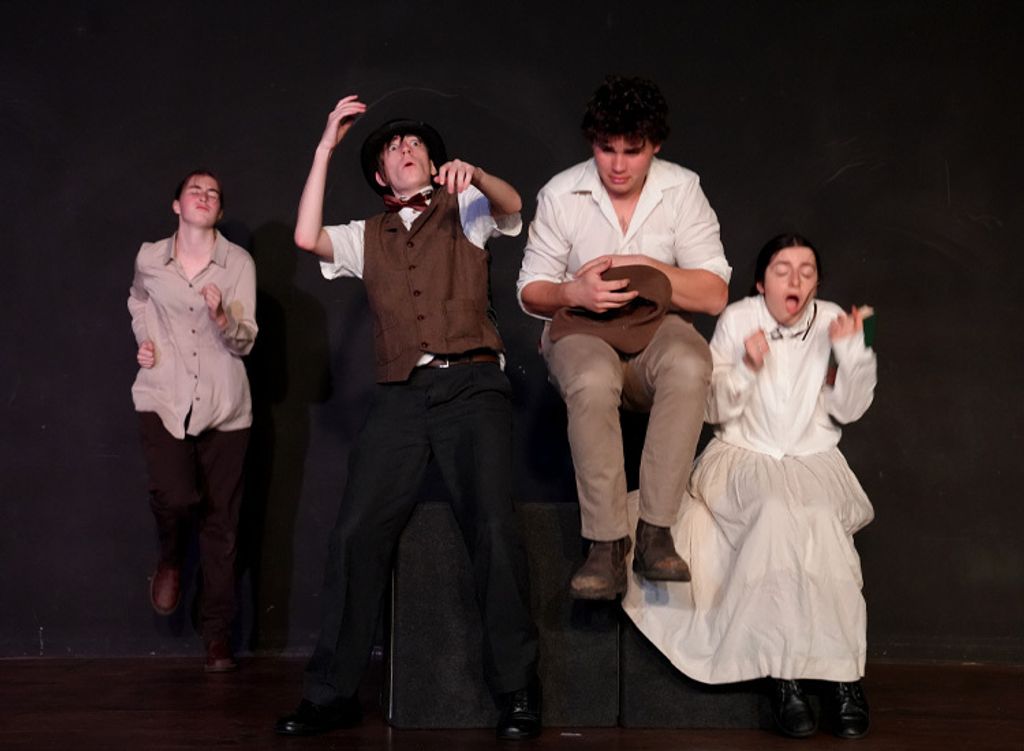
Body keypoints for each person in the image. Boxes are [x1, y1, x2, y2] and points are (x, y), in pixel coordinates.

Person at [274, 96, 541, 740]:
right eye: (394, 148)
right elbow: (306, 237)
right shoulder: (366, 235)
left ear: (433, 160)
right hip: (401, 394)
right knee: (354, 534)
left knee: (493, 528)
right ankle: (331, 694)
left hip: (473, 384)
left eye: (416, 143)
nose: (406, 149)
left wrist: (478, 176)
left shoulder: (465, 207)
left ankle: (516, 689)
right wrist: (324, 148)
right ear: (380, 175)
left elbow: (513, 206)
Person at [621, 233, 877, 739]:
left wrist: (854, 353)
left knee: (821, 523)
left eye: (806, 270)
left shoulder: (833, 321)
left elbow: (848, 410)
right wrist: (746, 367)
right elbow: (713, 407)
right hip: (744, 457)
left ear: (816, 282)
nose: (795, 279)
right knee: (775, 518)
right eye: (783, 270)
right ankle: (784, 677)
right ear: (762, 283)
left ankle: (844, 677)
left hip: (812, 458)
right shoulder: (739, 319)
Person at [517, 75, 731, 599]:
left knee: (690, 362)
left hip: (653, 329)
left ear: (654, 145)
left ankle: (656, 534)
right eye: (605, 148)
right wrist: (573, 291)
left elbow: (712, 294)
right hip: (581, 329)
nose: (617, 165)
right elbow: (530, 290)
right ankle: (605, 545)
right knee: (592, 377)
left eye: (632, 151)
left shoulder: (682, 189)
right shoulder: (562, 192)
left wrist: (645, 265)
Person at [128, 169, 258, 672]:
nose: (203, 196)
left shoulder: (237, 263)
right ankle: (170, 557)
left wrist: (224, 319)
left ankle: (217, 633)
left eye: (212, 193)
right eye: (194, 190)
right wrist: (146, 339)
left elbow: (246, 340)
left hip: (225, 406)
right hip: (164, 396)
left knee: (222, 524)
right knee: (176, 496)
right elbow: (138, 299)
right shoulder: (149, 258)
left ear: (219, 211)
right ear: (177, 205)